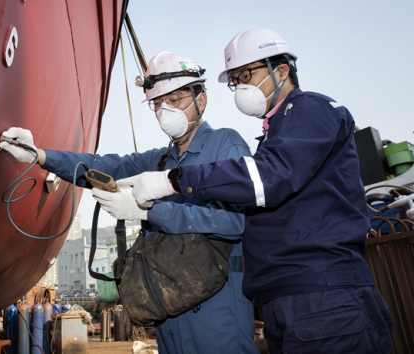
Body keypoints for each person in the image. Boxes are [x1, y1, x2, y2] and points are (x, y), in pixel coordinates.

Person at [118, 28, 394, 353]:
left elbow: (269, 178)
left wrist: (172, 182)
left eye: (246, 75)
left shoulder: (309, 109)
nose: (241, 87)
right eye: (236, 79)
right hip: (285, 298)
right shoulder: (275, 134)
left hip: (322, 296)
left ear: (281, 71)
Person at [0, 52, 260, 354]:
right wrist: (41, 156)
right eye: (158, 103)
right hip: (170, 302)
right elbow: (101, 165)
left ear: (200, 100)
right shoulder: (158, 160)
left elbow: (233, 222)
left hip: (217, 305)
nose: (165, 110)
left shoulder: (226, 144)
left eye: (174, 99)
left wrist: (148, 210)